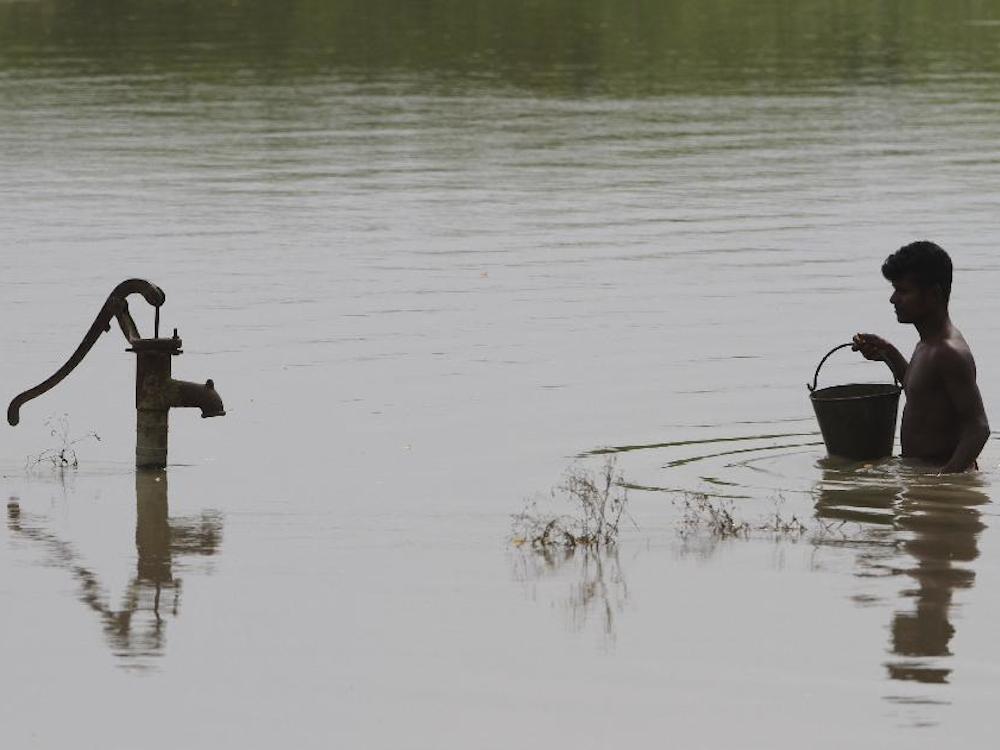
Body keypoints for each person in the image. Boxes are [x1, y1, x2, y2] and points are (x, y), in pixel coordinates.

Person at [853, 241, 989, 473]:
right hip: (920, 471)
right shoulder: (927, 343)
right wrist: (889, 354)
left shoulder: (947, 351)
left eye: (903, 291)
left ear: (934, 294)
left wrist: (943, 483)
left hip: (939, 477)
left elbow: (978, 428)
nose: (893, 299)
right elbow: (924, 396)